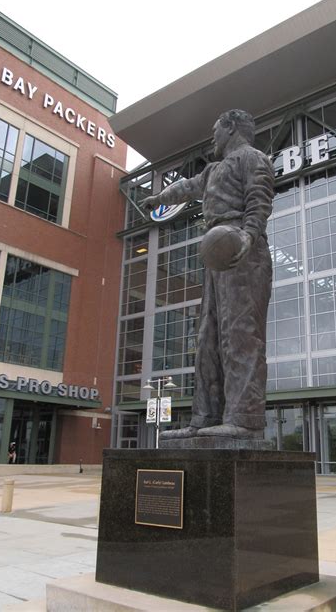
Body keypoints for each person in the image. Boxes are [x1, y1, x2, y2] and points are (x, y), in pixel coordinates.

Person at [141, 110, 274, 439]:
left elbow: (259, 199)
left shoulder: (252, 158)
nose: (212, 137)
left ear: (230, 127)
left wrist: (248, 234)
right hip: (217, 255)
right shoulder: (215, 169)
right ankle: (205, 418)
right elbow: (187, 187)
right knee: (207, 339)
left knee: (240, 334)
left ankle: (244, 419)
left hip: (243, 250)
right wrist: (160, 197)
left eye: (216, 129)